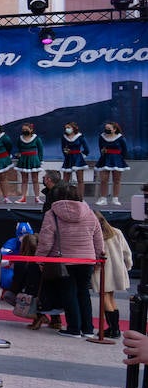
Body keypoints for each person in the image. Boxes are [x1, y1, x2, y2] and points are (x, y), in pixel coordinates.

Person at [37, 182, 103, 338]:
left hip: (63, 260)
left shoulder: (51, 214)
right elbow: (98, 237)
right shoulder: (90, 212)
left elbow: (46, 240)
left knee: (69, 293)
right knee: (84, 294)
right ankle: (88, 329)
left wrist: (39, 258)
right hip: (87, 260)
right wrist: (99, 256)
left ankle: (73, 328)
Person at [93, 211, 131, 339]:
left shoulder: (95, 235)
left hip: (102, 271)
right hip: (117, 270)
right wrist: (128, 265)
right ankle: (115, 328)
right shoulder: (116, 232)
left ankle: (113, 329)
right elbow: (127, 252)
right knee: (111, 298)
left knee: (105, 299)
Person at [95, 121, 129, 206]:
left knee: (116, 180)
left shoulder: (121, 138)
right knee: (103, 180)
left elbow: (124, 151)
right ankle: (103, 199)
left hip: (117, 160)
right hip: (105, 159)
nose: (106, 130)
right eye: (105, 128)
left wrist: (120, 159)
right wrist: (104, 154)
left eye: (109, 129)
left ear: (114, 129)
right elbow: (100, 148)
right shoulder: (102, 137)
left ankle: (115, 199)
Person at [14, 122, 44, 204]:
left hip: (34, 160)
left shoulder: (37, 138)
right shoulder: (20, 138)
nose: (24, 131)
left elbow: (40, 151)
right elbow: (19, 149)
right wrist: (19, 154)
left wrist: (40, 160)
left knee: (35, 179)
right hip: (23, 160)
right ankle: (23, 197)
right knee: (24, 180)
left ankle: (37, 198)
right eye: (23, 129)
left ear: (31, 130)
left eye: (26, 129)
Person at [61, 121, 89, 197]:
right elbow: (63, 148)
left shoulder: (80, 137)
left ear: (74, 128)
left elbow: (87, 149)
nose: (67, 129)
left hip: (78, 158)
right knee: (65, 180)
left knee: (80, 179)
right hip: (68, 158)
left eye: (68, 127)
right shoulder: (64, 137)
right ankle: (64, 196)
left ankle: (80, 197)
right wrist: (66, 154)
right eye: (66, 128)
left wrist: (81, 156)